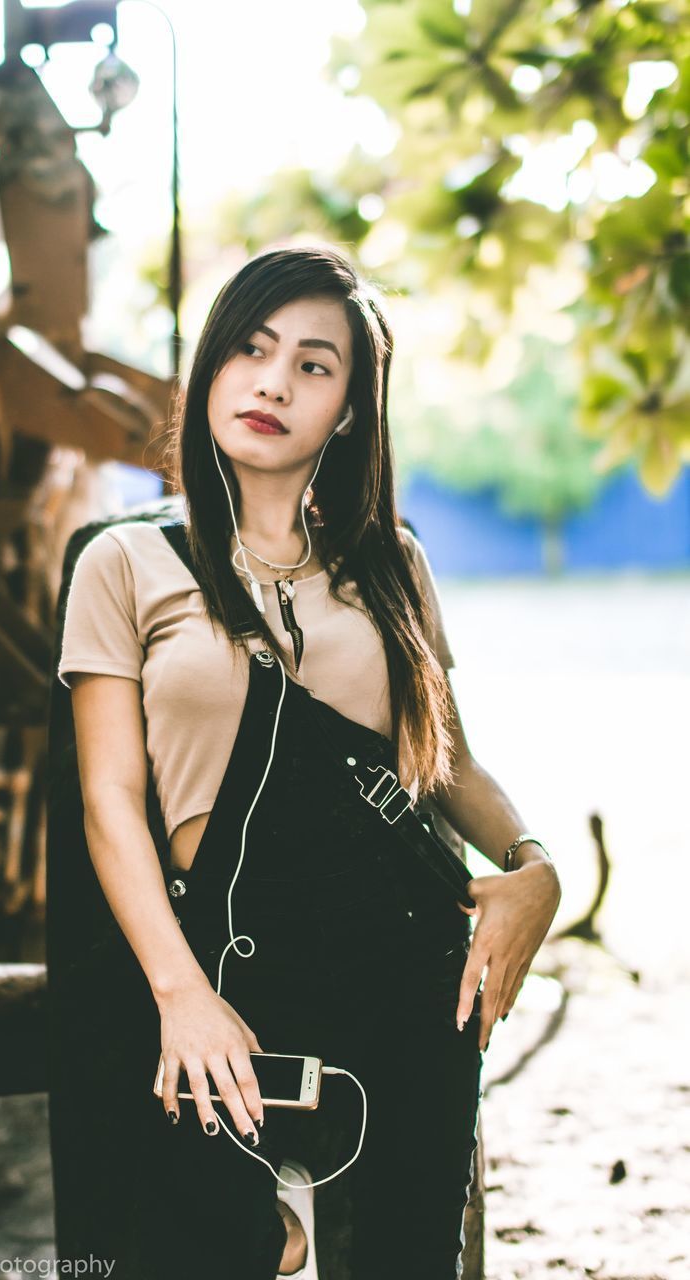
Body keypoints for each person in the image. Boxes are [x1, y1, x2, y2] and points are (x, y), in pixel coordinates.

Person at [47, 244, 562, 1280]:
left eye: (314, 365)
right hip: (214, 981)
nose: (274, 380)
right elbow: (110, 800)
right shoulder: (127, 561)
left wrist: (533, 866)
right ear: (209, 376)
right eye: (250, 348)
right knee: (196, 1249)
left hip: (401, 975)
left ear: (349, 411)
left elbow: (442, 756)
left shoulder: (390, 562)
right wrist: (179, 992)